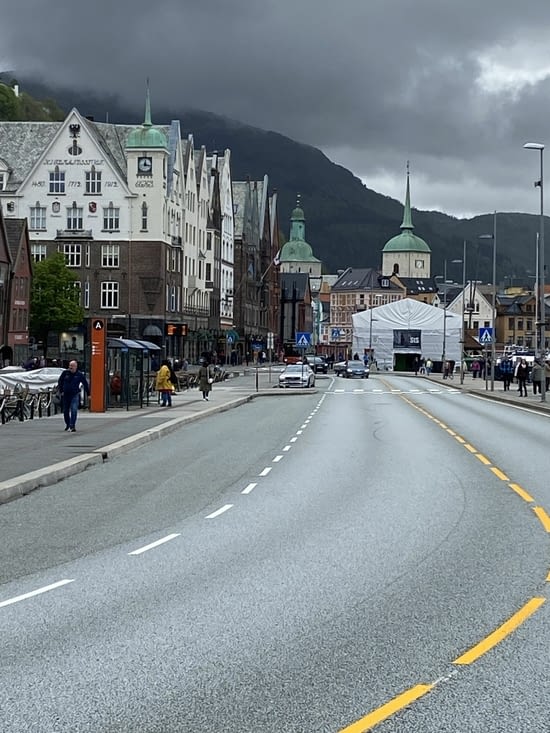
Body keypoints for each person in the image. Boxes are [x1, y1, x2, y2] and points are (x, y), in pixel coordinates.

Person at [57, 360, 90, 432]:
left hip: (74, 395)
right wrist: (61, 391)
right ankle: (68, 424)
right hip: (65, 394)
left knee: (74, 409)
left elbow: (85, 384)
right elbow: (60, 381)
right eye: (70, 366)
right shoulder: (65, 373)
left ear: (76, 367)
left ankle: (72, 425)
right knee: (65, 411)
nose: (70, 367)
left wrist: (88, 394)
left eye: (72, 366)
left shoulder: (79, 374)